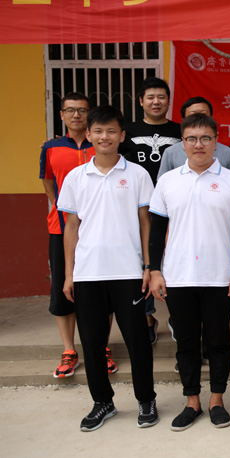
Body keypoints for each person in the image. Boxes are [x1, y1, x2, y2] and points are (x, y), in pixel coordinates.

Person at [148, 114, 230, 431]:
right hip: (178, 275)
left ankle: (217, 400)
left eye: (205, 138)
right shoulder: (168, 181)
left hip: (219, 275)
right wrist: (155, 270)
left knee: (218, 341)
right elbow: (156, 230)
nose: (198, 145)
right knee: (186, 343)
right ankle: (191, 401)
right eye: (192, 139)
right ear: (182, 143)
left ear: (216, 142)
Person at [59, 106, 157, 431]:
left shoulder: (138, 175)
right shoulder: (76, 177)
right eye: (98, 131)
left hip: (128, 272)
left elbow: (145, 222)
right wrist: (69, 274)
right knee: (92, 343)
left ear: (122, 135)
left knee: (137, 341)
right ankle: (103, 402)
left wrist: (148, 265)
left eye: (111, 131)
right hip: (88, 273)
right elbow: (71, 226)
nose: (105, 137)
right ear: (88, 135)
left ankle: (146, 399)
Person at [40, 93, 117, 378]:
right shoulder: (51, 147)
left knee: (102, 289)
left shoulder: (101, 143)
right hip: (62, 228)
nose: (76, 115)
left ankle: (102, 346)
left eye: (82, 110)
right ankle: (69, 349)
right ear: (61, 114)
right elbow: (48, 181)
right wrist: (63, 208)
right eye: (70, 110)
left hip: (100, 229)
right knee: (63, 288)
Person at [121, 77, 181, 343]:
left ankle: (178, 317)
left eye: (161, 97)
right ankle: (147, 317)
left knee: (174, 259)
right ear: (141, 101)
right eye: (151, 97)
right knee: (142, 262)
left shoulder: (180, 131)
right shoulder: (127, 131)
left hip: (175, 206)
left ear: (168, 100)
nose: (156, 102)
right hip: (139, 207)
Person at [157, 97, 230, 178]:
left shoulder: (227, 152)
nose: (198, 119)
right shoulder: (171, 152)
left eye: (203, 115)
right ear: (183, 120)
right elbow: (163, 181)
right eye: (193, 115)